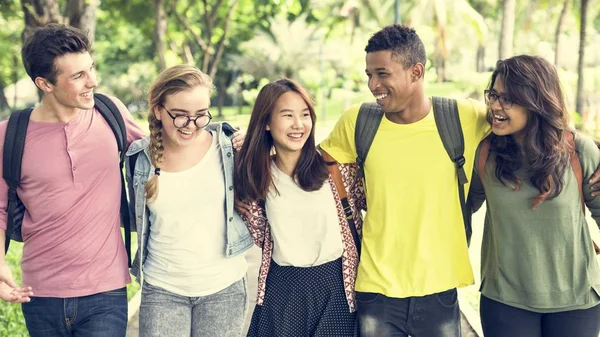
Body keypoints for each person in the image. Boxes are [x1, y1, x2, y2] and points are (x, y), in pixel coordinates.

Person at [319, 24, 490, 337]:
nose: (373, 84)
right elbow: (311, 163)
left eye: (383, 73)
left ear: (416, 72)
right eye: (369, 74)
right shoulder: (358, 121)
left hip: (439, 287)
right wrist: (256, 145)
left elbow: (526, 120)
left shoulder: (461, 117)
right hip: (376, 288)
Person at [0, 23, 145, 337]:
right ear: (45, 83)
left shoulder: (112, 113)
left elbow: (161, 153)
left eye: (90, 69)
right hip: (40, 294)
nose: (92, 81)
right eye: (78, 76)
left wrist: (226, 141)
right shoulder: (9, 136)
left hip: (106, 290)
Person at [466, 55, 600, 337]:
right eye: (493, 95)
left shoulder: (579, 152)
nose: (494, 106)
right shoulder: (486, 154)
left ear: (536, 102)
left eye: (507, 99)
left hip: (576, 301)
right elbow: (461, 210)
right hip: (505, 301)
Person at [126, 64, 252, 337]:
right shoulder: (139, 159)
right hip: (163, 289)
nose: (191, 126)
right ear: (159, 110)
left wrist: (260, 144)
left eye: (200, 115)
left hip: (224, 288)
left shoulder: (229, 146)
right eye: (180, 116)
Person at [234, 78, 364, 336]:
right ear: (267, 123)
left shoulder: (337, 169)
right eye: (287, 115)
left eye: (305, 115)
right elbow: (260, 234)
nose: (299, 124)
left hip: (336, 289)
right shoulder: (258, 176)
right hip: (283, 290)